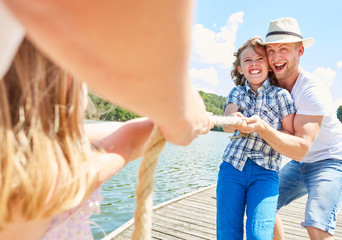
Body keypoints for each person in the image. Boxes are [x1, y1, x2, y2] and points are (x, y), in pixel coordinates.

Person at [0, 38, 155, 240]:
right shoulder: (48, 180)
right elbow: (133, 140)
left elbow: (109, 132)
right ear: (68, 80)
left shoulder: (17, 163)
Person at [0, 0, 214, 146]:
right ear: (64, 84)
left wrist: (165, 120)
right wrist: (179, 116)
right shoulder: (62, 172)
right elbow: (129, 142)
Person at [239, 17, 342, 239]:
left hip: (334, 159)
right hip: (303, 162)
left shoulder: (312, 91)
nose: (275, 57)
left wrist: (262, 127)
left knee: (317, 223)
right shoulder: (270, 84)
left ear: (300, 51)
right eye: (271, 50)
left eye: (283, 49)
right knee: (261, 204)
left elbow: (300, 148)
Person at [217, 37, 295, 240]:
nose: (254, 63)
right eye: (247, 60)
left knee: (259, 234)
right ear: (241, 69)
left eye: (260, 58)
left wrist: (264, 128)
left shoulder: (282, 96)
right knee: (227, 233)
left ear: (269, 66)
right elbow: (226, 124)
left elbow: (289, 134)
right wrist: (234, 120)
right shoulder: (236, 92)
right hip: (232, 168)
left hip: (265, 171)